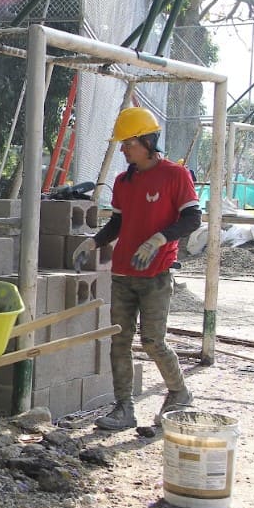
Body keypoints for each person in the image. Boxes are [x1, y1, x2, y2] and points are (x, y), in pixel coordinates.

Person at [72, 107, 201, 431]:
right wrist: (94, 242)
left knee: (153, 341)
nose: (122, 149)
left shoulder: (175, 175)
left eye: (127, 142)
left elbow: (192, 218)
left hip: (156, 273)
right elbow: (118, 222)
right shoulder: (123, 181)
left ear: (147, 141)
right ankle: (123, 408)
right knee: (120, 341)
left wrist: (158, 239)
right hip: (123, 274)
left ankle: (179, 392)